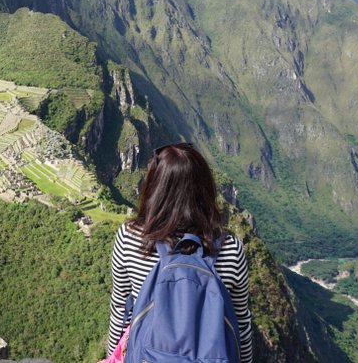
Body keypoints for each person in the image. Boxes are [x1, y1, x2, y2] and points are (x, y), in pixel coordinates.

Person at [107, 143, 252, 363]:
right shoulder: (230, 248)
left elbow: (120, 309)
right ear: (205, 189)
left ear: (154, 189)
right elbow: (240, 323)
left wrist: (112, 356)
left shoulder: (130, 238)